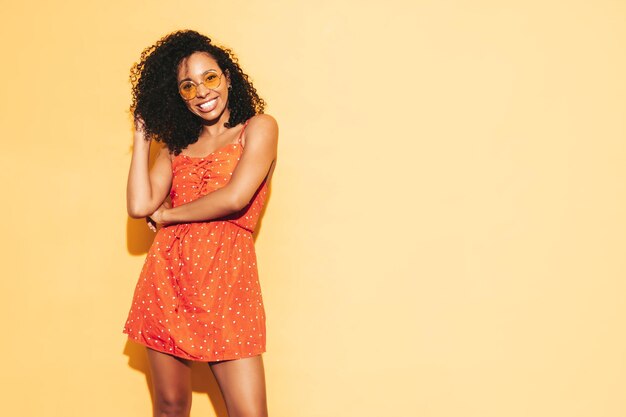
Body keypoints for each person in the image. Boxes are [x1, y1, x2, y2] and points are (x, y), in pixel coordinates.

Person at [123, 29, 278, 417]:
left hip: (226, 278)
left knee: (249, 412)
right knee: (171, 405)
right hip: (167, 278)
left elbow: (235, 198)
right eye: (187, 86)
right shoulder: (176, 146)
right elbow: (140, 204)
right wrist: (143, 136)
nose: (202, 92)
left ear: (227, 76)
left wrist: (169, 215)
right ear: (178, 96)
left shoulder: (258, 128)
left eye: (209, 78)